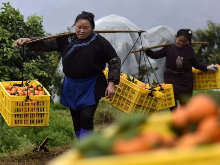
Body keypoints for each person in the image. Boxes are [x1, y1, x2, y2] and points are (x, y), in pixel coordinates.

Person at [14, 11, 121, 141]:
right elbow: (45, 43)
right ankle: (81, 146)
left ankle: (86, 149)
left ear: (92, 27)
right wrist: (28, 41)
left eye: (86, 28)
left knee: (86, 116)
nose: (81, 31)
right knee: (76, 119)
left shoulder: (99, 42)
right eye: (79, 27)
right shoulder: (66, 40)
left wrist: (111, 83)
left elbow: (114, 60)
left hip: (91, 85)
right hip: (71, 85)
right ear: (74, 26)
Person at [144, 29, 218, 111]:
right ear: (176, 37)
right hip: (171, 77)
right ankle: (175, 116)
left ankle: (184, 117)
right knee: (171, 99)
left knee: (185, 102)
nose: (182, 43)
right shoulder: (169, 48)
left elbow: (195, 63)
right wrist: (147, 50)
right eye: (180, 40)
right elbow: (155, 55)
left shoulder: (189, 50)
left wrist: (206, 67)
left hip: (185, 79)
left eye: (184, 41)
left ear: (187, 41)